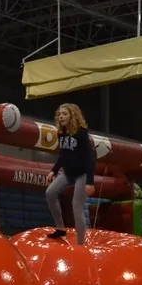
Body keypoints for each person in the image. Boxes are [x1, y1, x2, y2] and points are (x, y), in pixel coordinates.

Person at [45, 103, 96, 246]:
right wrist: (54, 170)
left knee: (76, 205)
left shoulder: (81, 133)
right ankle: (60, 228)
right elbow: (63, 155)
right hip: (68, 173)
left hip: (82, 174)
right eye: (59, 114)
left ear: (73, 116)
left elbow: (90, 158)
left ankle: (81, 244)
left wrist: (90, 182)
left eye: (65, 114)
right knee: (50, 193)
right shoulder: (61, 133)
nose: (61, 116)